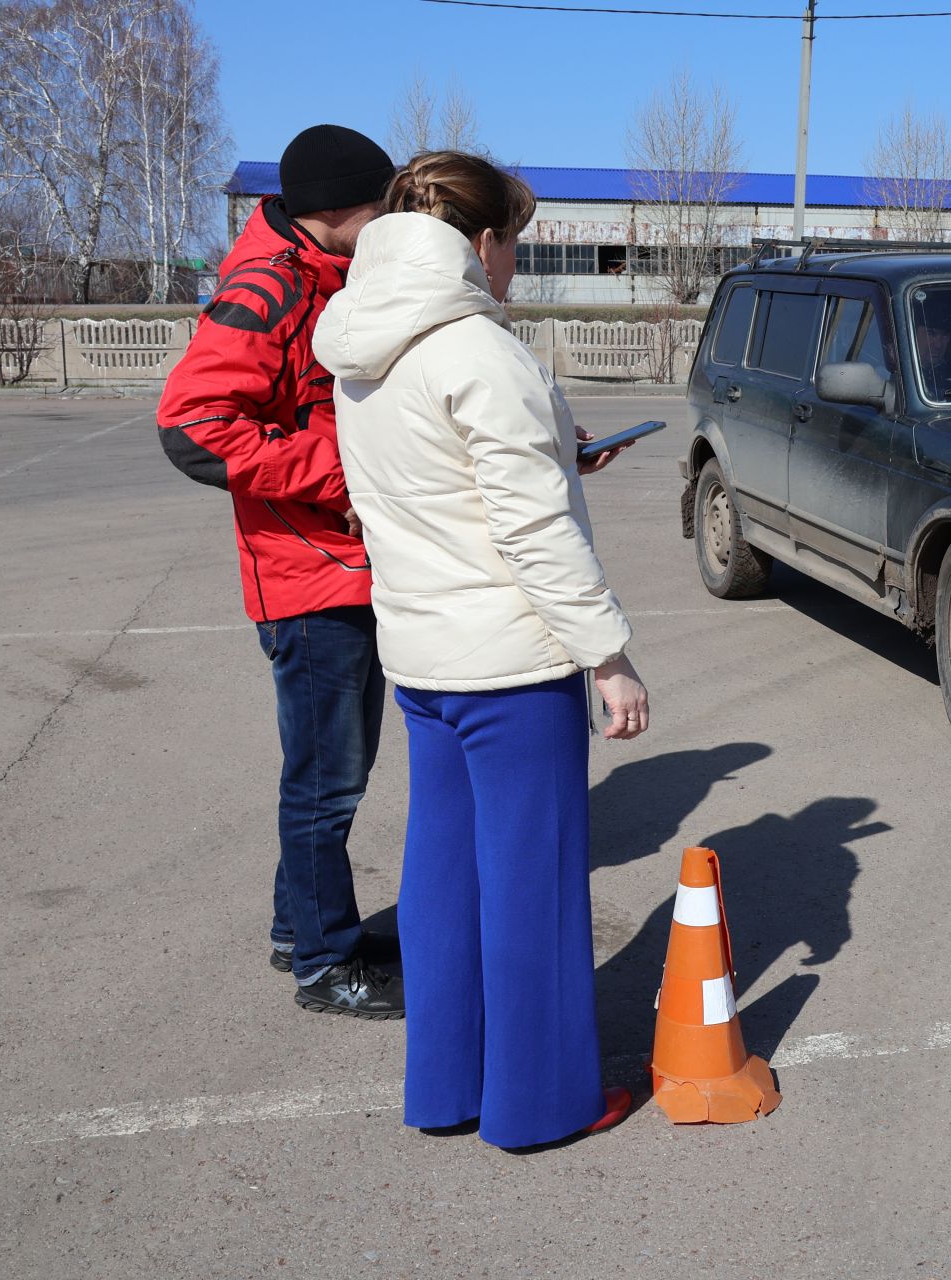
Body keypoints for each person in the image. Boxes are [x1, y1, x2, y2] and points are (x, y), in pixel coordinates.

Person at [313, 150, 646, 1149]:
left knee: (443, 877)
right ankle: (543, 1101)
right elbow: (533, 534)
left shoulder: (363, 341)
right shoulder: (479, 351)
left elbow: (431, 478)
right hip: (508, 660)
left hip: (420, 652)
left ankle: (446, 1085)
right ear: (481, 239)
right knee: (531, 886)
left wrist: (558, 444)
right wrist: (609, 655)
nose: (513, 267)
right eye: (515, 244)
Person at [157, 124, 403, 1018]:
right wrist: (338, 478)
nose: (392, 223)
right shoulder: (268, 287)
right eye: (382, 206)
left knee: (328, 775)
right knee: (326, 783)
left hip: (338, 565)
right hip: (307, 579)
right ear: (337, 211)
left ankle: (301, 930)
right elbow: (190, 428)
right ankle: (325, 968)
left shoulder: (327, 272)